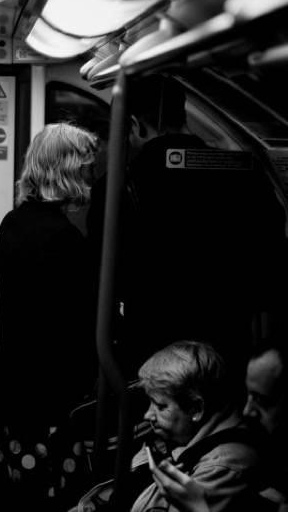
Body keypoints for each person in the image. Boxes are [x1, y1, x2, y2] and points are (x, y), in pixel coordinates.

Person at [87, 75, 287, 378]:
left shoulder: (117, 188)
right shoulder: (246, 172)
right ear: (181, 114)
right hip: (228, 348)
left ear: (135, 125)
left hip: (153, 352)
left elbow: (103, 281)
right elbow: (272, 265)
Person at [0, 123, 99, 511]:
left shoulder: (15, 221)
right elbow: (71, 323)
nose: (91, 175)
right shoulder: (62, 237)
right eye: (86, 166)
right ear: (68, 169)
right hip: (44, 396)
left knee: (31, 492)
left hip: (11, 389)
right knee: (61, 496)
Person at [148, 341, 288, 511]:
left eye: (263, 400)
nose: (246, 411)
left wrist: (197, 506)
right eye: (248, 395)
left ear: (196, 409)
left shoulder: (222, 465)